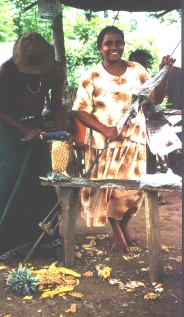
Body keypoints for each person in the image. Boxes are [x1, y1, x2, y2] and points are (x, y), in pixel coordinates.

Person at [72, 26, 175, 253]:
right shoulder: (91, 76)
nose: (114, 47)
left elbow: (155, 98)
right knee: (109, 190)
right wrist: (105, 129)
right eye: (108, 43)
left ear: (123, 45)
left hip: (134, 140)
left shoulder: (136, 70)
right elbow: (79, 110)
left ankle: (125, 224)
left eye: (118, 42)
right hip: (104, 142)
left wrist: (164, 74)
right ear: (100, 48)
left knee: (134, 191)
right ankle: (117, 232)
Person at [0, 31, 70, 265]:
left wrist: (62, 136)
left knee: (41, 182)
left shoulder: (56, 70)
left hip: (37, 125)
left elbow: (55, 108)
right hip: (7, 127)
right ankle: (9, 245)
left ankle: (44, 241)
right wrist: (22, 129)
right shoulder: (6, 70)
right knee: (9, 184)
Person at [129, 49, 167, 205]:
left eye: (143, 63)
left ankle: (152, 192)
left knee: (151, 161)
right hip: (133, 130)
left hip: (151, 129)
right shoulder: (127, 81)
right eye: (137, 62)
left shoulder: (151, 79)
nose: (141, 66)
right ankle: (134, 194)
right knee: (135, 163)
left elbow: (156, 102)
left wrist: (157, 114)